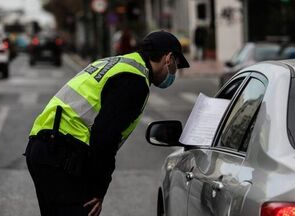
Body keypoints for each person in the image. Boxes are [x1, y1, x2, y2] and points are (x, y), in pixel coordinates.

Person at [24, 30, 190, 216]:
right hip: (61, 154)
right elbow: (105, 137)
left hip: (45, 147)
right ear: (168, 58)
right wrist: (98, 189)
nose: (175, 72)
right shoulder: (134, 81)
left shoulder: (118, 63)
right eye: (177, 65)